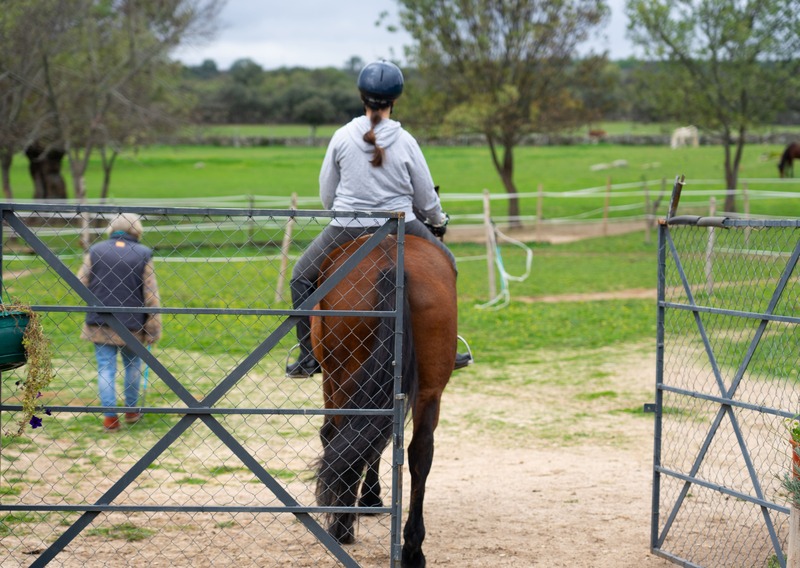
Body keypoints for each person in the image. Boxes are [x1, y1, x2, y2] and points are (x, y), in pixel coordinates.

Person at [286, 59, 472, 378]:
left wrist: (342, 209)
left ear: (362, 97)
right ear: (394, 100)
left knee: (301, 277)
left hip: (347, 225)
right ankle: (447, 347)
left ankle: (308, 357)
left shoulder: (342, 136)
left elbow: (327, 193)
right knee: (448, 263)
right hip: (401, 225)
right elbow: (426, 196)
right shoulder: (407, 141)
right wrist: (437, 220)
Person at [78, 213, 162, 431]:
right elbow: (151, 295)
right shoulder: (143, 254)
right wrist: (153, 329)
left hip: (100, 321)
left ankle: (110, 418)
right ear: (137, 229)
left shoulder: (95, 251)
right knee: (133, 366)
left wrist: (99, 298)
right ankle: (132, 410)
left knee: (105, 369)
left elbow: (80, 281)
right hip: (133, 323)